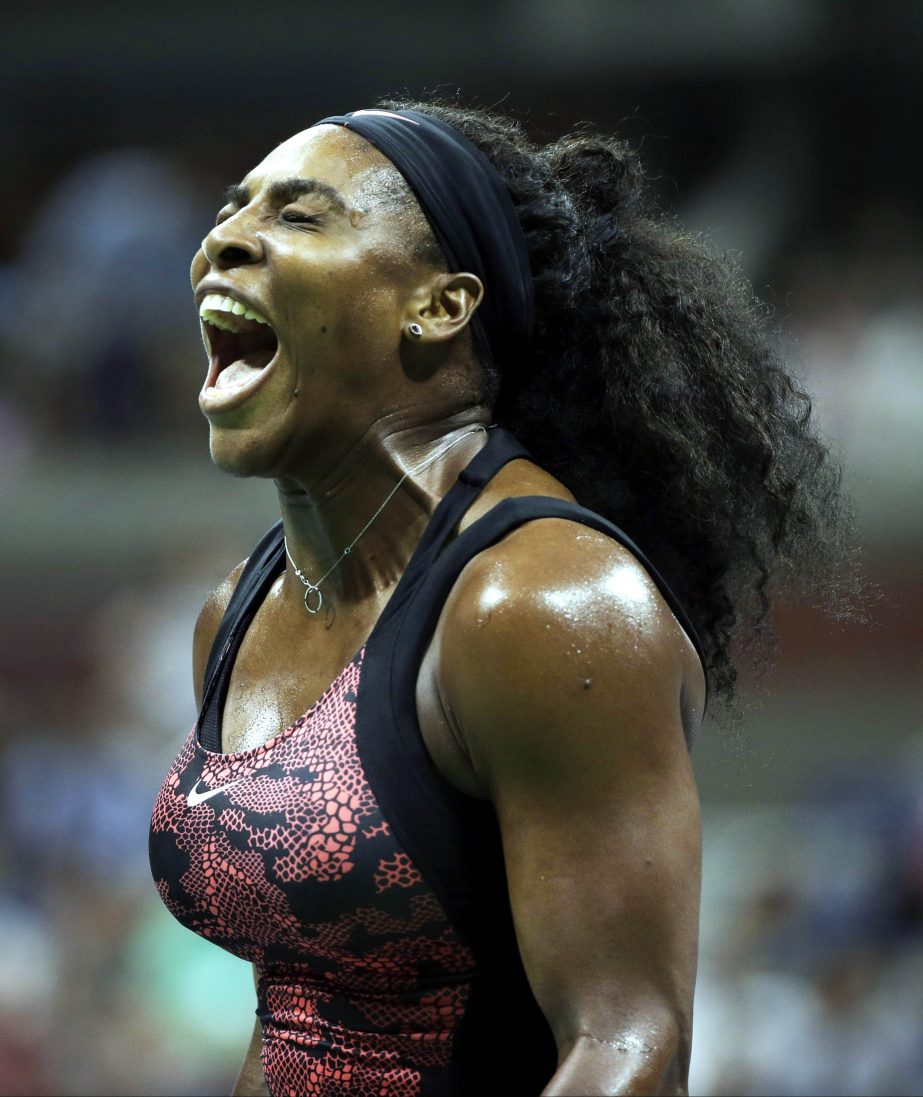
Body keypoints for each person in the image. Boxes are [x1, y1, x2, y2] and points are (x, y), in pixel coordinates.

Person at [149, 98, 851, 1096]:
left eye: (298, 216)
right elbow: (297, 1013)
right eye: (230, 209)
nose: (224, 239)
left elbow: (629, 1045)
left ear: (437, 305)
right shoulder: (241, 609)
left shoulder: (540, 604)